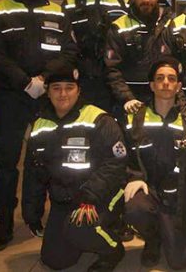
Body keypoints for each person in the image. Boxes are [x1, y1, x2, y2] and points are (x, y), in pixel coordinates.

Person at [0, 0, 77, 252]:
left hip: (48, 96)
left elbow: (70, 50)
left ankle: (45, 216)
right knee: (8, 162)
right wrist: (25, 82)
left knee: (49, 158)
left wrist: (44, 80)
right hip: (10, 97)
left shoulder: (57, 12)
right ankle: (4, 222)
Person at [21, 64, 127, 271]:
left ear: (78, 90)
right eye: (56, 88)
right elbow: (33, 172)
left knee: (80, 229)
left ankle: (112, 248)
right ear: (48, 91)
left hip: (99, 196)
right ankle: (82, 234)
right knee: (55, 260)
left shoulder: (99, 119)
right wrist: (31, 212)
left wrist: (89, 195)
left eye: (69, 87)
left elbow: (116, 163)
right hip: (63, 200)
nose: (63, 94)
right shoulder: (40, 125)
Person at [123, 57, 186, 269]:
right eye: (160, 78)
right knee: (134, 207)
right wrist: (135, 178)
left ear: (178, 86)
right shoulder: (135, 117)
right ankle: (153, 239)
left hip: (178, 193)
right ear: (152, 85)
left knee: (178, 262)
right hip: (149, 188)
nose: (166, 82)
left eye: (171, 78)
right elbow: (124, 157)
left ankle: (172, 230)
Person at [63, 0, 130, 113]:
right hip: (83, 80)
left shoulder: (125, 1)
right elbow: (64, 43)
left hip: (117, 79)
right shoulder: (71, 2)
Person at [105, 0, 171, 121]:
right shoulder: (119, 27)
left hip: (164, 103)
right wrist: (127, 98)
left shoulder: (169, 25)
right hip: (129, 104)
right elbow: (112, 69)